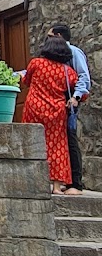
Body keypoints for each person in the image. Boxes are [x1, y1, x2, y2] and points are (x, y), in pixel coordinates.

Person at [21, 35, 78, 194]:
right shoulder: (68, 71)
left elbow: (26, 81)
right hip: (56, 111)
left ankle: (32, 182)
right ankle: (57, 186)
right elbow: (81, 91)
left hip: (35, 107)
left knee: (31, 142)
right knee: (57, 146)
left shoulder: (36, 63)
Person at [48, 23, 91, 195]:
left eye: (50, 36)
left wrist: (75, 97)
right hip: (61, 100)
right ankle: (68, 181)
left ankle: (76, 184)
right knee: (63, 140)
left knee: (70, 138)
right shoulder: (56, 54)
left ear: (59, 36)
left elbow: (83, 77)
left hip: (70, 99)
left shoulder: (73, 52)